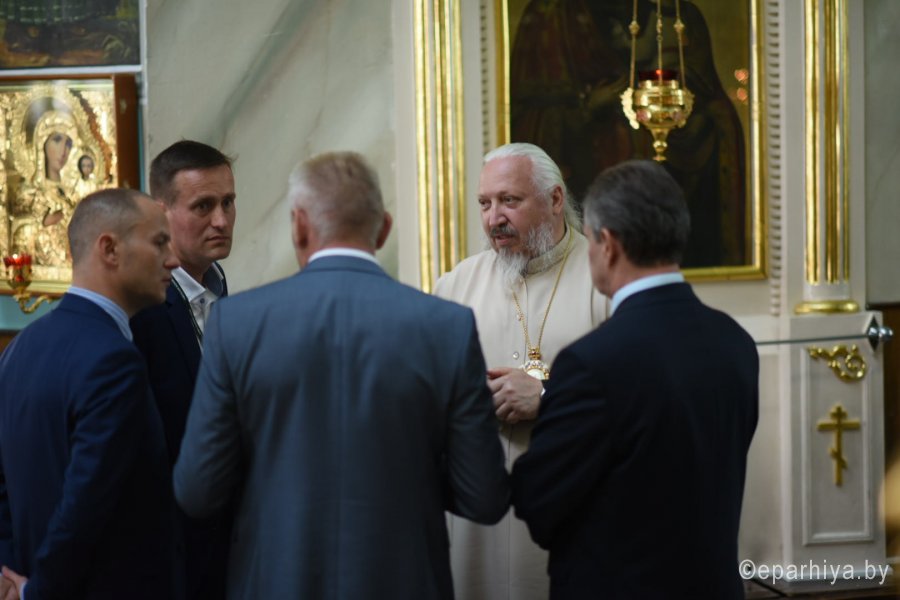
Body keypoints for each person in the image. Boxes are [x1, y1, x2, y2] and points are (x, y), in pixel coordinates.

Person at [173, 151, 510, 600]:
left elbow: (197, 491)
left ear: (298, 226)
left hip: (277, 581)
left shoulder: (236, 324)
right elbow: (484, 496)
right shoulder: (446, 326)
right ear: (383, 228)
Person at [511, 159, 759, 599]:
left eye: (589, 239)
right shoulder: (734, 341)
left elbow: (539, 502)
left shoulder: (591, 363)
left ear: (607, 244)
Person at [433, 142, 606, 600]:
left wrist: (548, 398)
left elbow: (634, 398)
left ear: (555, 198)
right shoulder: (455, 286)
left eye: (509, 200)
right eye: (484, 204)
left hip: (572, 503)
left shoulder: (604, 280)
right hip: (478, 517)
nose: (494, 218)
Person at [0, 188, 180, 599]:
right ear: (109, 249)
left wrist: (10, 578)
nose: (172, 259)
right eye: (159, 242)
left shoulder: (18, 349)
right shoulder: (114, 359)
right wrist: (39, 591)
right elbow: (86, 503)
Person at [130, 140, 236, 600]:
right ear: (162, 212)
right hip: (170, 556)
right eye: (203, 206)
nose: (222, 220)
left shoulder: (222, 289)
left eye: (228, 202)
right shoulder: (143, 310)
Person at [10, 110, 79, 272]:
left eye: (68, 144)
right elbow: (22, 229)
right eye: (57, 140)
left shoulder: (72, 194)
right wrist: (48, 221)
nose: (63, 151)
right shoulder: (28, 192)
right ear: (42, 143)